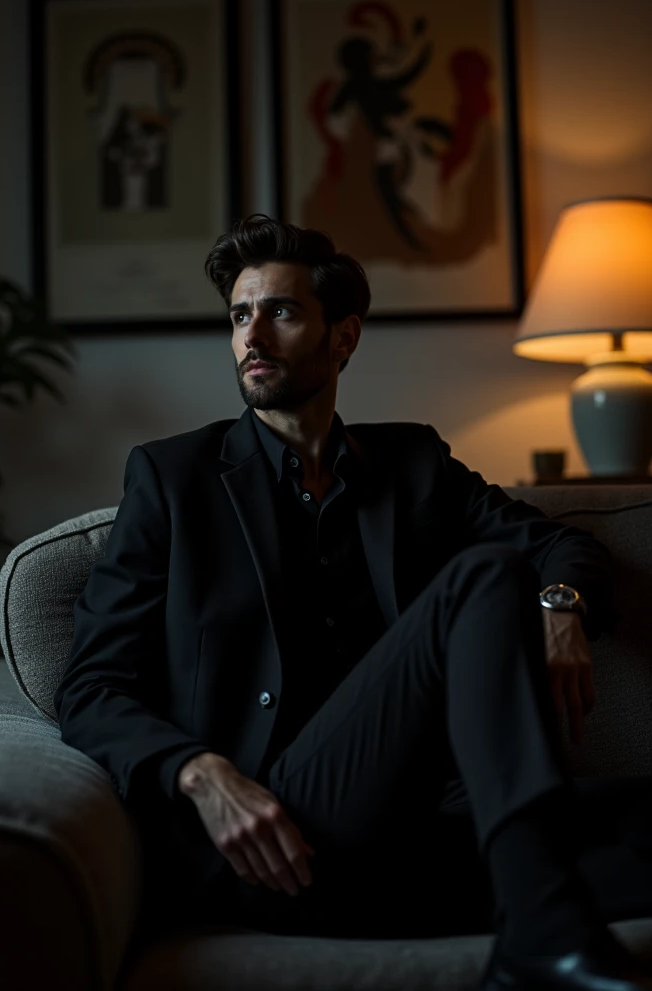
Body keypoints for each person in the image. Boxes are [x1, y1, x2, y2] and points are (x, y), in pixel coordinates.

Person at [55, 215, 652, 990]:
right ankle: (539, 927)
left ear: (344, 337)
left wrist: (564, 608)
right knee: (484, 578)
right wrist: (203, 774)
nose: (252, 337)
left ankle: (529, 906)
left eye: (281, 312)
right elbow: (91, 688)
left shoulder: (412, 463)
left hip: (419, 826)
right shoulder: (175, 481)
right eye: (239, 315)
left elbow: (561, 547)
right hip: (276, 832)